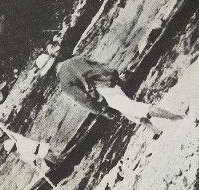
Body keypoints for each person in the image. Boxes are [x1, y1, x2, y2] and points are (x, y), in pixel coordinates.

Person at [56, 55, 184, 137]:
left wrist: (100, 111)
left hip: (102, 92)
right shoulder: (77, 59)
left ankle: (174, 117)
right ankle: (155, 130)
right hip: (110, 83)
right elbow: (100, 65)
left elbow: (82, 98)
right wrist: (115, 76)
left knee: (133, 108)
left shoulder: (63, 80)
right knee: (128, 112)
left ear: (55, 72)